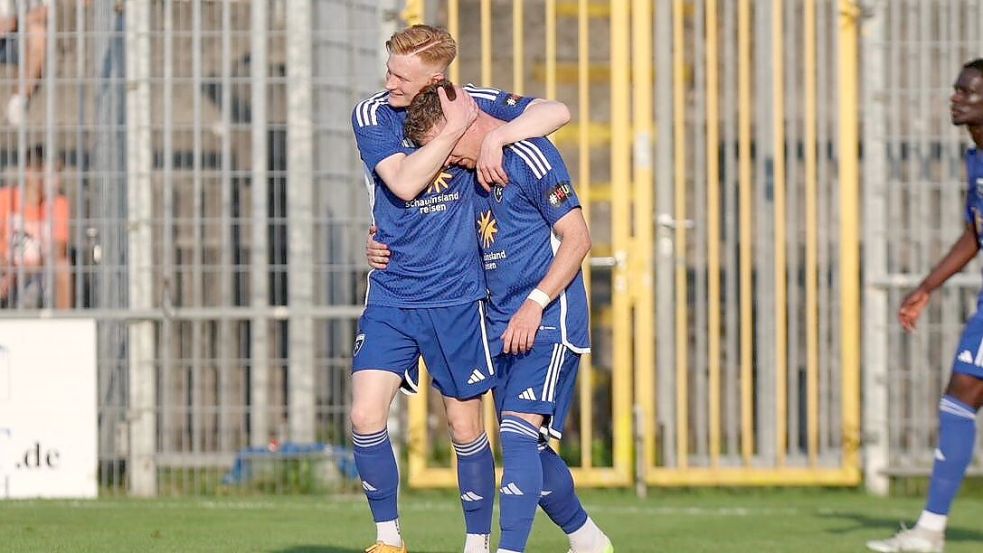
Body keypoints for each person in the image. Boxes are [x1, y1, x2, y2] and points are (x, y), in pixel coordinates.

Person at [349, 25, 571, 553]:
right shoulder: (374, 114)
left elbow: (556, 111)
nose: (390, 82)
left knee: (464, 425)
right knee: (363, 413)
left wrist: (493, 134)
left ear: (437, 79)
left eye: (402, 75)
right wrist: (456, 130)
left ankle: (476, 543)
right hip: (393, 293)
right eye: (390, 69)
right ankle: (388, 539)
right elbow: (402, 183)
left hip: (458, 297)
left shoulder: (473, 100)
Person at [369, 81, 614, 553]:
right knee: (532, 450)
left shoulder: (529, 156)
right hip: (496, 322)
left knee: (518, 434)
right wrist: (377, 244)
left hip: (547, 317)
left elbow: (578, 239)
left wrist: (534, 304)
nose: (444, 160)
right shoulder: (464, 174)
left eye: (449, 147)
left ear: (466, 123)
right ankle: (587, 538)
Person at [867, 58, 983, 553]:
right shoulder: (975, 158)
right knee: (962, 391)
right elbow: (976, 231)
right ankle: (931, 530)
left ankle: (931, 530)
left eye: (967, 92)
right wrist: (927, 286)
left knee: (963, 390)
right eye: (956, 89)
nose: (955, 98)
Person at [0, 143, 70, 309]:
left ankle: (65, 326)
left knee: (63, 267)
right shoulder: (5, 198)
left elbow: (58, 252)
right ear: (31, 172)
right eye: (52, 174)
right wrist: (7, 268)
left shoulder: (59, 204)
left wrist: (22, 271)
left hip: (40, 273)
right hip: (6, 268)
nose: (57, 181)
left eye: (58, 174)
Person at [0, 0, 48, 126]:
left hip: (15, 36)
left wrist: (16, 21)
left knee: (39, 34)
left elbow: (47, 11)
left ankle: (16, 109)